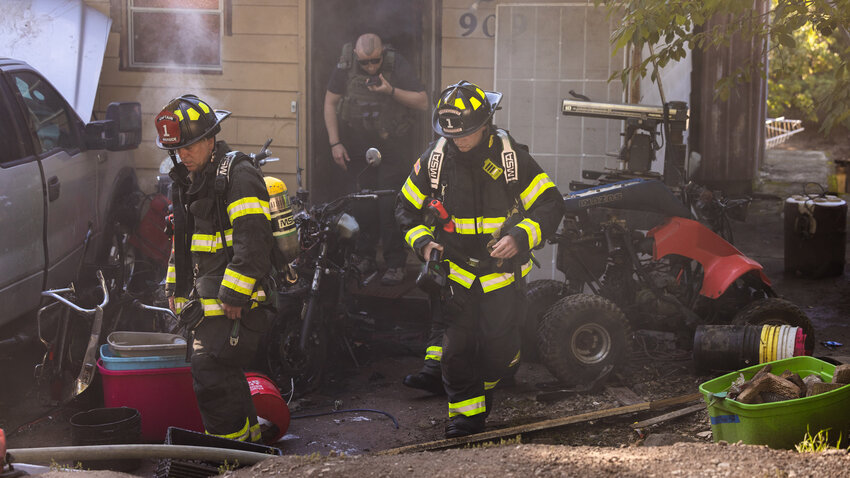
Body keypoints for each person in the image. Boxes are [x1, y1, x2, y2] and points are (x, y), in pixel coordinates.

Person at [395, 81, 565, 437]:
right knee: (455, 350)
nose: (459, 140)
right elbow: (404, 210)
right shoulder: (435, 159)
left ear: (484, 124)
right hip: (456, 275)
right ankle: (466, 420)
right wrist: (424, 243)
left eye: (467, 133)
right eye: (452, 133)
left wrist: (520, 237)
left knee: (499, 350)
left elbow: (550, 203)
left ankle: (487, 387)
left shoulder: (508, 157)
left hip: (500, 275)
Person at [156, 94, 274, 443]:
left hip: (239, 300)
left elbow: (254, 241)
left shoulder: (238, 175)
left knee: (209, 373)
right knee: (223, 372)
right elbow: (183, 244)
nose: (184, 155)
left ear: (210, 138)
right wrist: (175, 291)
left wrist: (236, 292)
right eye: (177, 150)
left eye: (190, 146)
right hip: (208, 301)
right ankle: (249, 444)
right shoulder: (187, 181)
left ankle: (227, 452)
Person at [324, 32, 429, 286]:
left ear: (382, 54)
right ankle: (364, 257)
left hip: (393, 147)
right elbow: (330, 103)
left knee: (389, 205)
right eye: (365, 63)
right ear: (356, 57)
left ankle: (395, 263)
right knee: (362, 204)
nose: (371, 66)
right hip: (358, 149)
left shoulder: (396, 64)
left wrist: (390, 90)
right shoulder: (346, 66)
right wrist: (334, 143)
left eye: (375, 61)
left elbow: (423, 102)